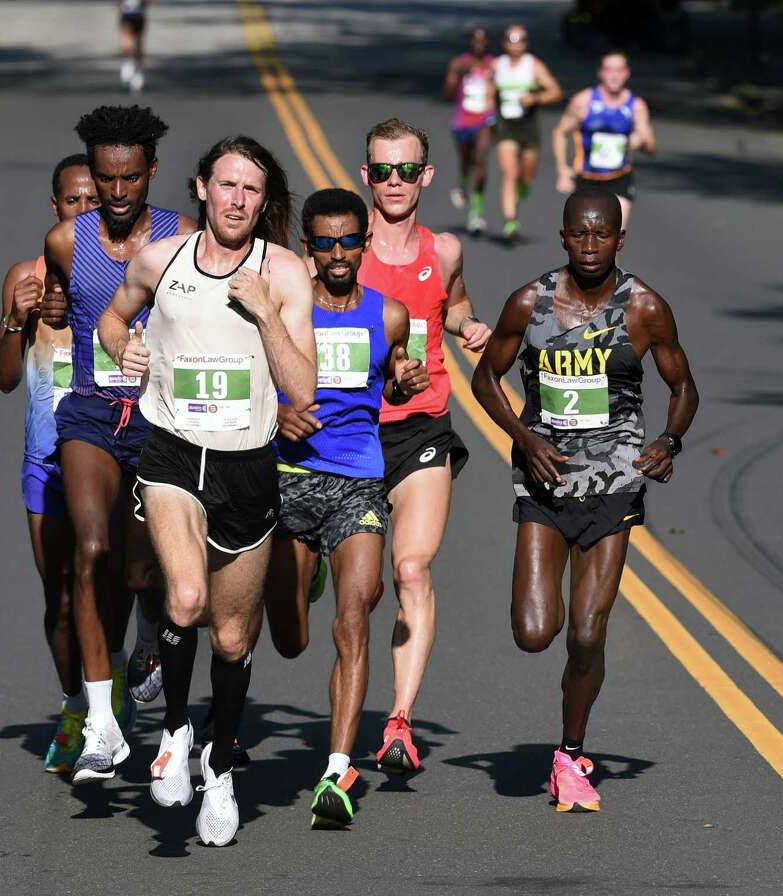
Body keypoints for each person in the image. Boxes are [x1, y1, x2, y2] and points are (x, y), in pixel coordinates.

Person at [99, 136, 316, 846]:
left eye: (252, 191)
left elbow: (303, 388)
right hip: (171, 454)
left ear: (263, 201)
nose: (237, 201)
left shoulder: (282, 272)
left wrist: (264, 312)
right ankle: (172, 730)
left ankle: (219, 766)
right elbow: (112, 317)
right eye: (227, 185)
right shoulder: (160, 260)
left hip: (246, 467)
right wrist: (120, 346)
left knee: (230, 637)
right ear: (201, 187)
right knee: (184, 598)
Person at [471, 188, 697, 812]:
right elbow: (485, 376)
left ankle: (570, 753)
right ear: (563, 236)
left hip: (613, 485)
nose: (591, 246)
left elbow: (682, 385)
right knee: (536, 631)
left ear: (620, 239)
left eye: (603, 235)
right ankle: (568, 739)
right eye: (580, 235)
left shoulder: (645, 308)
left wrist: (669, 442)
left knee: (589, 634)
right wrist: (523, 438)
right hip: (545, 482)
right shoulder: (529, 301)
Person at [262, 188, 430, 829]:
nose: (337, 253)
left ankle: (336, 770)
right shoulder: (282, 309)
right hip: (287, 476)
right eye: (324, 242)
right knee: (290, 638)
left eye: (348, 241)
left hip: (356, 481)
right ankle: (303, 583)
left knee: (354, 616)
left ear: (363, 245)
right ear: (308, 247)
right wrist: (278, 410)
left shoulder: (389, 314)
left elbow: (395, 377)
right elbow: (252, 376)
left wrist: (402, 383)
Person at [40, 105, 195, 783]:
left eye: (131, 177)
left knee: (141, 575)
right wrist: (37, 309)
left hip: (161, 421)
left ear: (151, 172)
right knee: (91, 547)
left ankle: (148, 655)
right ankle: (101, 724)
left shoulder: (181, 237)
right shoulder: (65, 242)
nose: (119, 191)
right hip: (91, 416)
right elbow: (53, 307)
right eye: (106, 179)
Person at [358, 118, 492, 775]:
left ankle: (399, 722)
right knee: (360, 590)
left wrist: (470, 326)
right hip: (350, 431)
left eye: (406, 170)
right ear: (366, 176)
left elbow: (456, 304)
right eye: (382, 170)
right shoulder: (343, 250)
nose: (394, 183)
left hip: (422, 428)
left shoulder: (443, 250)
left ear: (427, 176)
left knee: (411, 569)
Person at [0, 154, 99, 774]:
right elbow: (5, 378)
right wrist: (18, 316)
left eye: (94, 200)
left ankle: (125, 675)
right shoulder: (25, 277)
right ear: (54, 206)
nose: (84, 210)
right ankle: (76, 704)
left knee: (126, 581)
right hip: (47, 461)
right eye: (72, 200)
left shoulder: (130, 273)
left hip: (119, 453)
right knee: (59, 596)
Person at [552, 50, 656, 230]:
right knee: (587, 240)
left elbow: (651, 148)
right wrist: (562, 169)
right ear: (600, 73)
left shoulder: (636, 106)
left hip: (620, 178)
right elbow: (560, 132)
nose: (614, 76)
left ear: (627, 73)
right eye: (609, 70)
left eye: (619, 70)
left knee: (614, 239)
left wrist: (642, 142)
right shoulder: (583, 101)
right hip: (587, 179)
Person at [492, 24, 562, 242]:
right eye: (511, 40)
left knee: (526, 175)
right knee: (509, 172)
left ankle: (522, 188)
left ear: (526, 43)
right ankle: (510, 221)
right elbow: (483, 88)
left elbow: (556, 92)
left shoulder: (534, 66)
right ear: (504, 43)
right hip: (505, 125)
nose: (516, 45)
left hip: (528, 125)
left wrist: (535, 98)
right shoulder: (496, 66)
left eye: (521, 40)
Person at [442, 25, 497, 235]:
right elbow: (447, 93)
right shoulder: (459, 63)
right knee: (467, 161)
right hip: (463, 121)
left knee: (482, 161)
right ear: (470, 43)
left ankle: (476, 214)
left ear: (487, 43)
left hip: (485, 119)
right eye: (475, 41)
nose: (479, 45)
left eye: (483, 41)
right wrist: (457, 77)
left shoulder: (494, 65)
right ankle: (463, 183)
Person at [118, 0, 152, 95]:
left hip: (139, 15)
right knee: (127, 41)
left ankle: (138, 73)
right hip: (127, 13)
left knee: (138, 45)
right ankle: (127, 63)